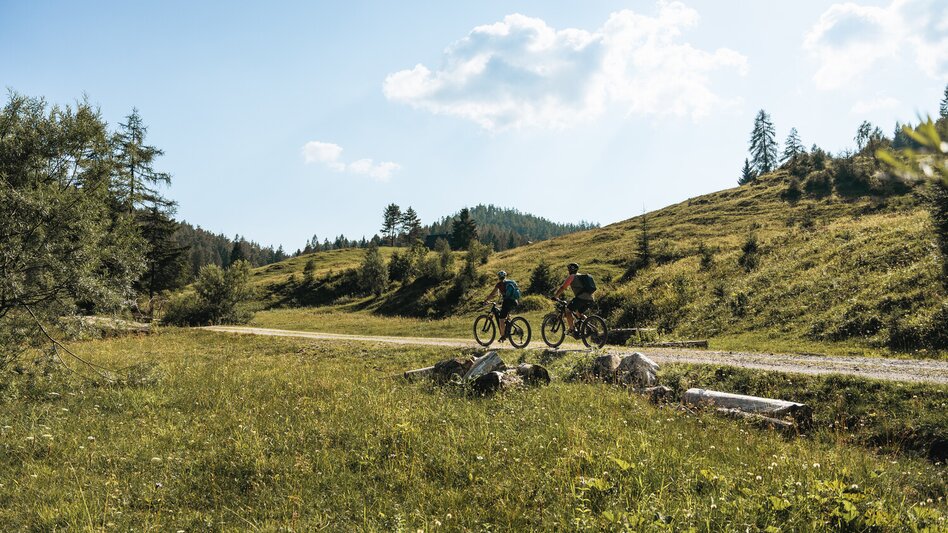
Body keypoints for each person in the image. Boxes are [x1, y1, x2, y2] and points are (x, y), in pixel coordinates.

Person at [552, 262, 595, 336]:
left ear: (570, 270)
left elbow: (563, 287)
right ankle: (589, 327)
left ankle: (571, 329)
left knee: (568, 310)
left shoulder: (572, 276)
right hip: (590, 299)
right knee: (579, 313)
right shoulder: (581, 276)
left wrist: (555, 296)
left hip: (581, 298)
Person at [484, 270, 520, 341]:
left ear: (498, 277)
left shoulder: (499, 284)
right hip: (515, 301)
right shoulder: (510, 282)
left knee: (501, 319)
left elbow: (493, 294)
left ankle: (503, 336)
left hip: (507, 302)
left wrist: (486, 300)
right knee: (506, 315)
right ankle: (508, 329)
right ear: (505, 276)